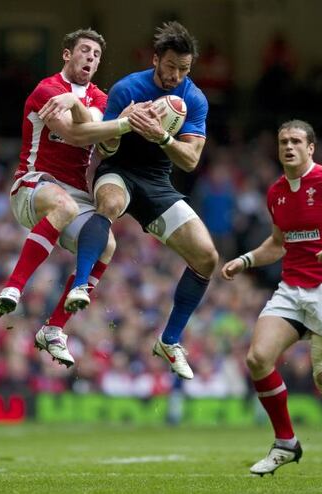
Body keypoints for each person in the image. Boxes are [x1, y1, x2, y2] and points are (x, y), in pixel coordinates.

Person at [221, 120, 322, 480]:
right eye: (283, 142)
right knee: (258, 358)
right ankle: (285, 443)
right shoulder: (276, 191)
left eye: (296, 141)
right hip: (292, 290)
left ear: (311, 148)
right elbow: (277, 245)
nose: (288, 147)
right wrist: (246, 259)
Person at [63, 21, 219, 380]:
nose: (176, 76)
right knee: (110, 204)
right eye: (170, 68)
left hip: (157, 183)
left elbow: (191, 161)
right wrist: (124, 124)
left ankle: (169, 340)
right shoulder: (127, 88)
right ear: (155, 60)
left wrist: (161, 136)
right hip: (119, 170)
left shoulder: (193, 99)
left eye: (184, 69)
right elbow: (104, 147)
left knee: (206, 257)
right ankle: (81, 283)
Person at [0, 28, 150, 368]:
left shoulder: (101, 100)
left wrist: (85, 108)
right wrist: (120, 123)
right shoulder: (46, 89)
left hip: (75, 194)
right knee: (62, 203)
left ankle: (54, 329)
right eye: (85, 51)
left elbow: (96, 129)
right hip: (33, 185)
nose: (91, 58)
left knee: (107, 245)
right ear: (67, 54)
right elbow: (74, 134)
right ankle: (14, 287)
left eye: (96, 55)